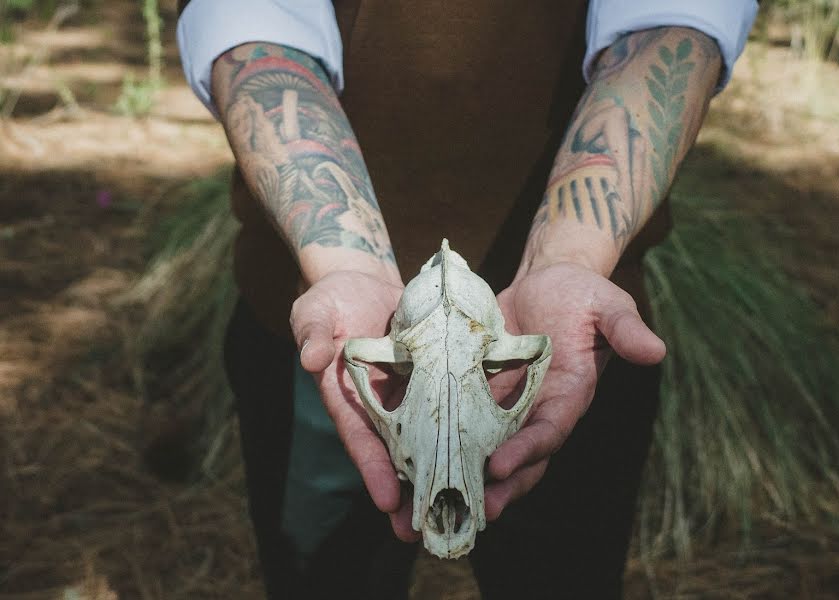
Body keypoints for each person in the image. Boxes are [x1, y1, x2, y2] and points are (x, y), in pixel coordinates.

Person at [176, 1, 758, 598]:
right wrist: (340, 261)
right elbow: (253, 23)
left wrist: (571, 258)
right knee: (321, 576)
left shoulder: (540, 355)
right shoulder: (360, 360)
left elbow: (672, 20)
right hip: (322, 338)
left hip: (577, 341)